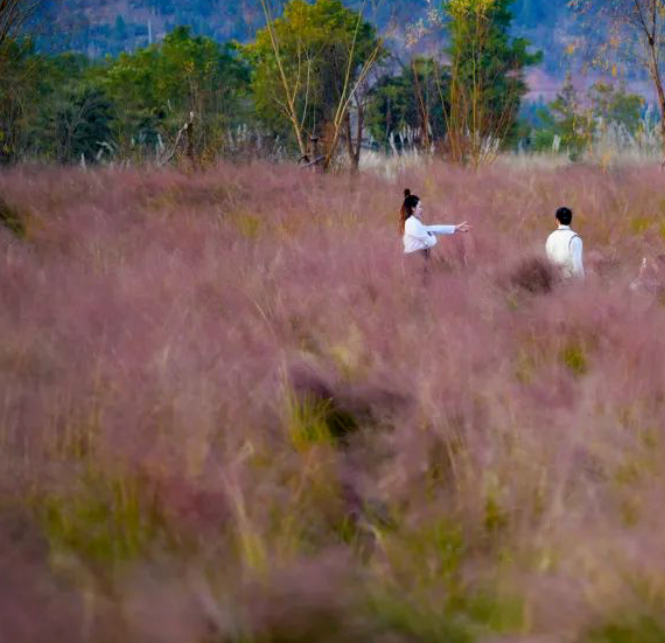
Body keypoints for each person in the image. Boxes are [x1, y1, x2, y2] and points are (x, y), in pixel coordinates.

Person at [400, 190, 471, 261]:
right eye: (420, 207)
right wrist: (431, 234)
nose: (422, 210)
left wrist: (455, 228)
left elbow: (433, 228)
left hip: (418, 259)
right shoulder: (411, 223)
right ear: (413, 208)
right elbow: (431, 241)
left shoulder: (414, 222)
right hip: (415, 260)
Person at [545, 206, 585, 280]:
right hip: (571, 282)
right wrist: (583, 284)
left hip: (554, 282)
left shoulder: (550, 237)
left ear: (557, 220)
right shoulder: (575, 238)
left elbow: (549, 260)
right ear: (570, 220)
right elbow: (578, 264)